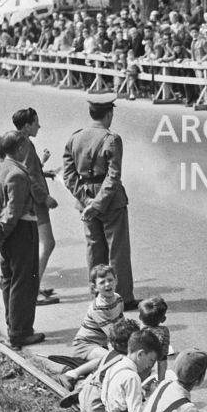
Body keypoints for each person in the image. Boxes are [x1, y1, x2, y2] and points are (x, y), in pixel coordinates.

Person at [62, 93, 137, 309]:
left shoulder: (75, 138)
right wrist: (98, 203)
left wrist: (87, 201)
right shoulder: (111, 139)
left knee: (94, 249)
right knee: (117, 251)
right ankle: (123, 297)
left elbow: (68, 175)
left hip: (85, 199)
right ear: (109, 114)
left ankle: (98, 295)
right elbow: (113, 176)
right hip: (110, 201)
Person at [0, 132, 44, 350]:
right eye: (25, 146)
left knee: (8, 279)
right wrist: (4, 230)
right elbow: (14, 212)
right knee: (24, 281)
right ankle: (20, 332)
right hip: (21, 231)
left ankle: (12, 324)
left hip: (5, 233)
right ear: (19, 149)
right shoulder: (17, 173)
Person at [11, 107, 59, 304]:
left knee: (38, 245)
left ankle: (34, 285)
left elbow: (30, 170)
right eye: (36, 123)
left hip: (28, 200)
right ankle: (32, 288)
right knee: (47, 244)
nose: (39, 126)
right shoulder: (26, 144)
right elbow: (29, 176)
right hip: (36, 202)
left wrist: (46, 170)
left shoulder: (20, 142)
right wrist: (45, 197)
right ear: (27, 125)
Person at [100, 326, 162, 412]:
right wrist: (152, 397)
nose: (150, 365)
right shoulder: (131, 377)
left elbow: (105, 397)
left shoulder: (116, 366)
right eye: (151, 360)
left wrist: (141, 391)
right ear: (140, 354)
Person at [72, 264, 126, 359]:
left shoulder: (118, 298)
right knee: (114, 359)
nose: (107, 284)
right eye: (102, 282)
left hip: (101, 343)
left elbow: (122, 325)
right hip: (86, 345)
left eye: (110, 280)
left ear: (116, 280)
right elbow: (113, 334)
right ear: (95, 287)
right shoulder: (98, 308)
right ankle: (76, 371)